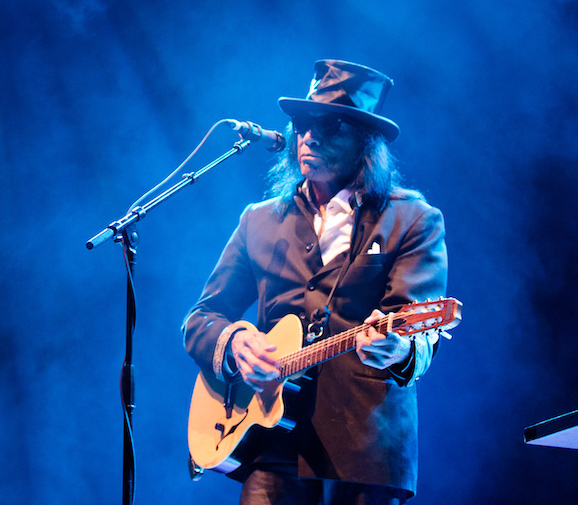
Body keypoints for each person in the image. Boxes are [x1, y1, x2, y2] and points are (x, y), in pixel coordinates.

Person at [183, 60, 448, 504]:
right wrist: (232, 343)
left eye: (332, 127)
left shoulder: (413, 220)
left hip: (366, 450)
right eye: (303, 124)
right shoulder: (259, 220)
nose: (309, 137)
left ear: (367, 143)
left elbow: (418, 334)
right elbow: (202, 317)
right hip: (270, 444)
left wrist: (400, 348)